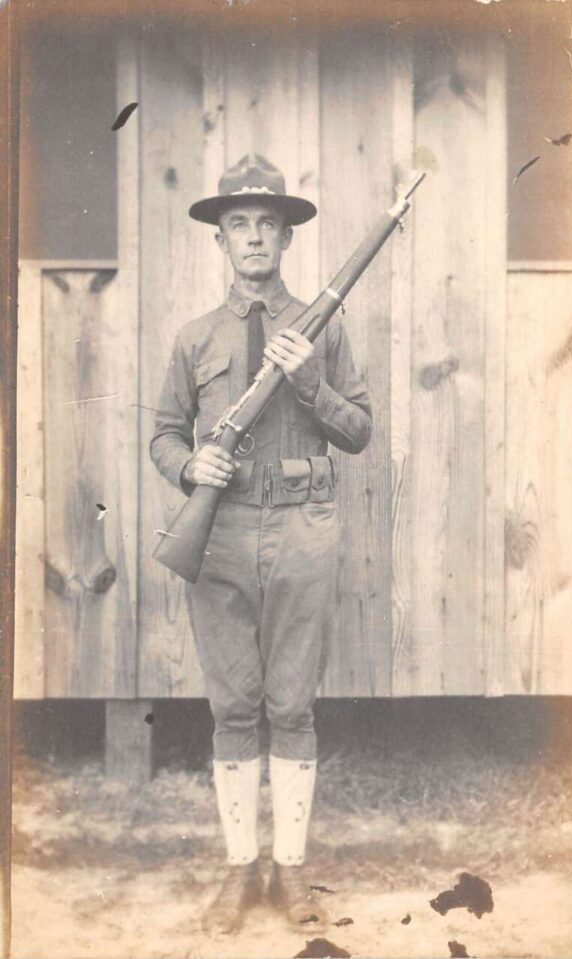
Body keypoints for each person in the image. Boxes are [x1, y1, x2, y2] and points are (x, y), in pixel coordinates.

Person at [150, 154, 372, 936]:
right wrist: (188, 465)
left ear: (285, 238)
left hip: (304, 527)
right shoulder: (193, 338)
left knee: (292, 704)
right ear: (219, 239)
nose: (253, 238)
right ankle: (242, 872)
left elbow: (359, 431)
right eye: (238, 224)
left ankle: (296, 875)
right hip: (221, 533)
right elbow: (164, 434)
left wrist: (308, 379)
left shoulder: (325, 326)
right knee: (234, 704)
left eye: (266, 225)